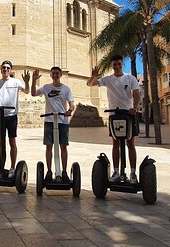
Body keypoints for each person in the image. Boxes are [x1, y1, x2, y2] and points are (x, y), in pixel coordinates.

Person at [86, 55, 141, 183]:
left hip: (128, 114)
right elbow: (90, 84)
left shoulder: (130, 78)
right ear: (111, 66)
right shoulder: (108, 79)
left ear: (122, 65)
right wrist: (94, 76)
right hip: (114, 115)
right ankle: (116, 171)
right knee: (115, 143)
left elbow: (136, 94)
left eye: (119, 64)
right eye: (114, 64)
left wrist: (135, 107)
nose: (116, 66)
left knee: (130, 143)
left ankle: (133, 173)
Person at [31, 67, 75, 182]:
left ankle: (64, 172)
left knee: (63, 146)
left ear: (60, 75)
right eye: (53, 73)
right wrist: (34, 81)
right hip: (49, 121)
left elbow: (72, 104)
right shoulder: (46, 88)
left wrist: (69, 111)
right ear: (51, 75)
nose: (55, 75)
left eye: (57, 73)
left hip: (62, 121)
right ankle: (49, 171)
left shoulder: (66, 89)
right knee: (49, 147)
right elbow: (34, 93)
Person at [0, 60, 30, 177]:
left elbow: (26, 91)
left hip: (11, 116)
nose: (5, 70)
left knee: (12, 141)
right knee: (1, 142)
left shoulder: (16, 82)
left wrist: (27, 82)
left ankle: (12, 167)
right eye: (3, 68)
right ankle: (1, 168)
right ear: (1, 70)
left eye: (7, 68)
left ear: (10, 70)